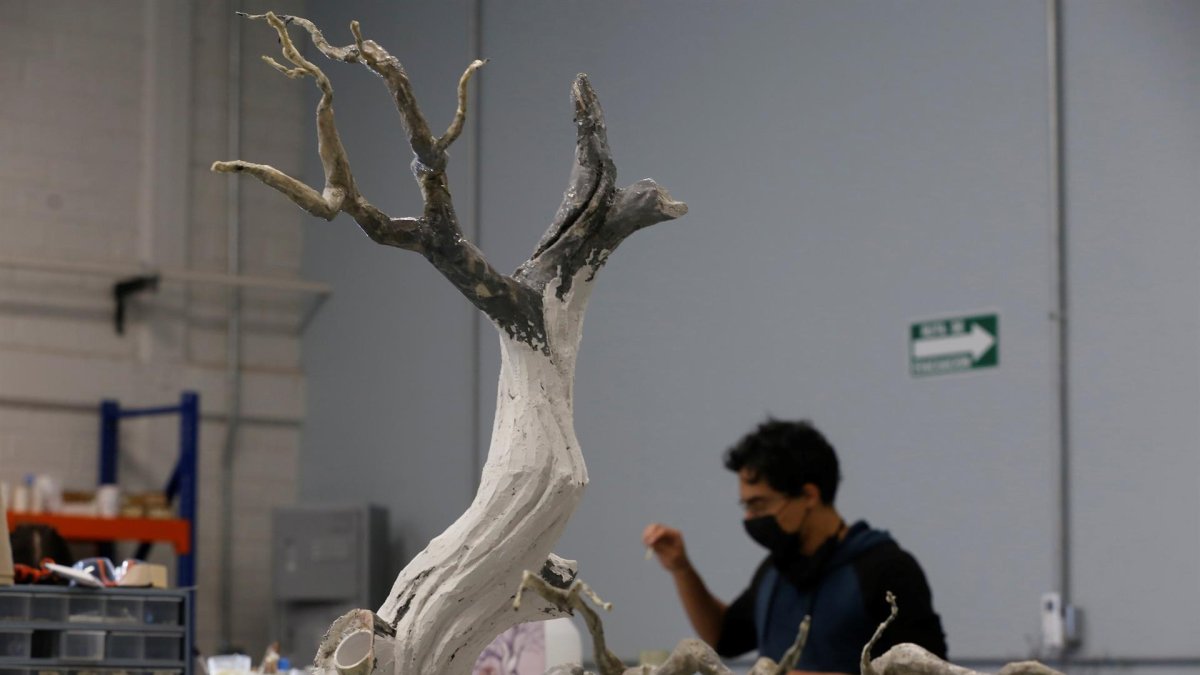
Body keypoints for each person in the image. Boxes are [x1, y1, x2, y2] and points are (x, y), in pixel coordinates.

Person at [643, 419, 946, 673]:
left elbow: (930, 670)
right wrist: (681, 569)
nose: (750, 518)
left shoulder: (886, 568)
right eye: (745, 506)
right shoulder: (775, 570)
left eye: (759, 504)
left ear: (809, 495)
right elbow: (726, 638)